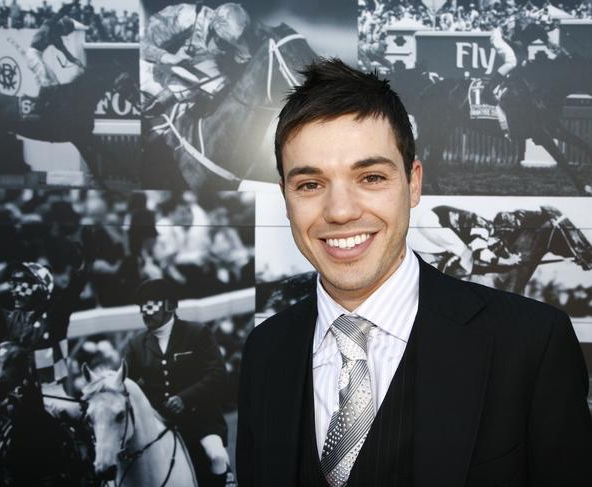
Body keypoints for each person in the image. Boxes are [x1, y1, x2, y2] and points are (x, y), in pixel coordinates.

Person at [236, 58, 592, 486]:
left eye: (370, 177)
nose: (341, 211)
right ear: (287, 197)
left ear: (414, 183)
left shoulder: (533, 344)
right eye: (310, 184)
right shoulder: (265, 351)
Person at [125, 279, 235, 486]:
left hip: (200, 420)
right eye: (142, 308)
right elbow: (123, 381)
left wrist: (185, 398)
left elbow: (217, 374)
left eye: (150, 306)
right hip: (161, 424)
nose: (145, 313)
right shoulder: (136, 345)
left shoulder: (198, 333)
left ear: (169, 306)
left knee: (217, 456)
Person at [140, 2, 251, 115]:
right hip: (147, 58)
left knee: (221, 89)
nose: (223, 50)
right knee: (181, 87)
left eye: (229, 46)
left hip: (190, 63)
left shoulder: (235, 39)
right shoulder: (185, 17)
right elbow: (141, 44)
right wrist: (169, 57)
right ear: (212, 28)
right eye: (221, 42)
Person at [25, 1, 86, 90]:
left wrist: (79, 64)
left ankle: (50, 101)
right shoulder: (51, 24)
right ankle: (41, 102)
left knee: (54, 81)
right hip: (32, 55)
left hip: (38, 56)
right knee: (44, 78)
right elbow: (62, 12)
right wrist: (74, 3)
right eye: (67, 32)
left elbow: (67, 54)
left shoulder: (56, 39)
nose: (66, 35)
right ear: (64, 27)